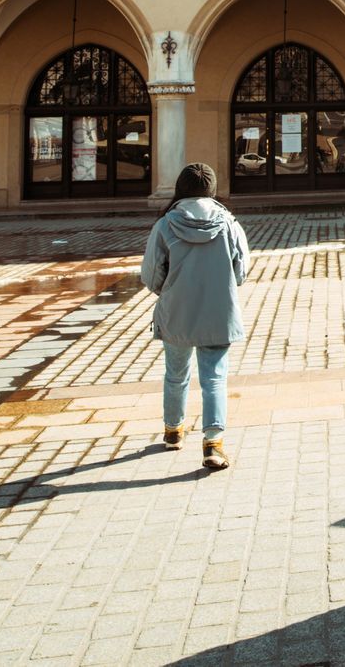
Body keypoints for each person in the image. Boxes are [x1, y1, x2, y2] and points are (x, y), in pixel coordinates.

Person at [142, 163, 250, 470]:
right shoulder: (228, 223)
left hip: (177, 312)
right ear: (212, 190)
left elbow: (151, 274)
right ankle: (213, 443)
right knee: (214, 378)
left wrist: (171, 291)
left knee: (176, 374)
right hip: (219, 312)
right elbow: (241, 270)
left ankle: (173, 431)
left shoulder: (165, 225)